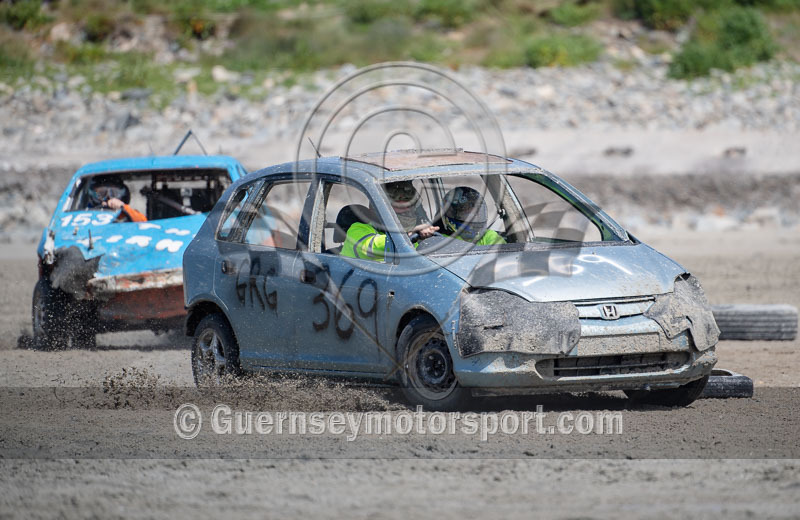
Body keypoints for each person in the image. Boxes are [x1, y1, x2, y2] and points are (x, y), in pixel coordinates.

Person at [341, 181, 438, 261]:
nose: (407, 213)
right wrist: (410, 236)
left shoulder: (413, 237)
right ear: (377, 209)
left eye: (409, 208)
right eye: (399, 208)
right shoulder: (357, 230)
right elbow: (372, 247)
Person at [441, 186, 506, 245]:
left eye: (477, 212)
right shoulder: (442, 239)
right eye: (466, 212)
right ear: (451, 213)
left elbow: (503, 255)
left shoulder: (489, 236)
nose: (474, 216)